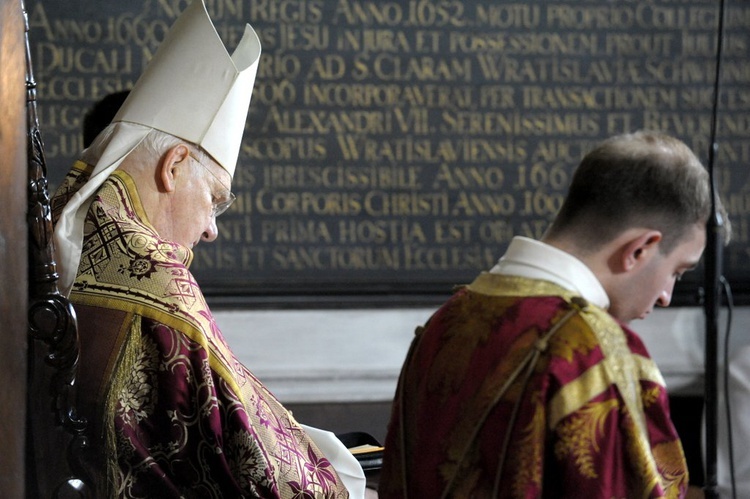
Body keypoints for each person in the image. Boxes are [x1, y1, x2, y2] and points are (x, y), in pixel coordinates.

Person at [50, 1, 362, 497]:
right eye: (216, 198)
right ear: (173, 166)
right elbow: (264, 473)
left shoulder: (62, 231)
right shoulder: (155, 280)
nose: (212, 229)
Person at [378, 131, 730, 498]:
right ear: (640, 249)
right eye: (677, 271)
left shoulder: (448, 320)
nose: (665, 296)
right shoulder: (591, 349)